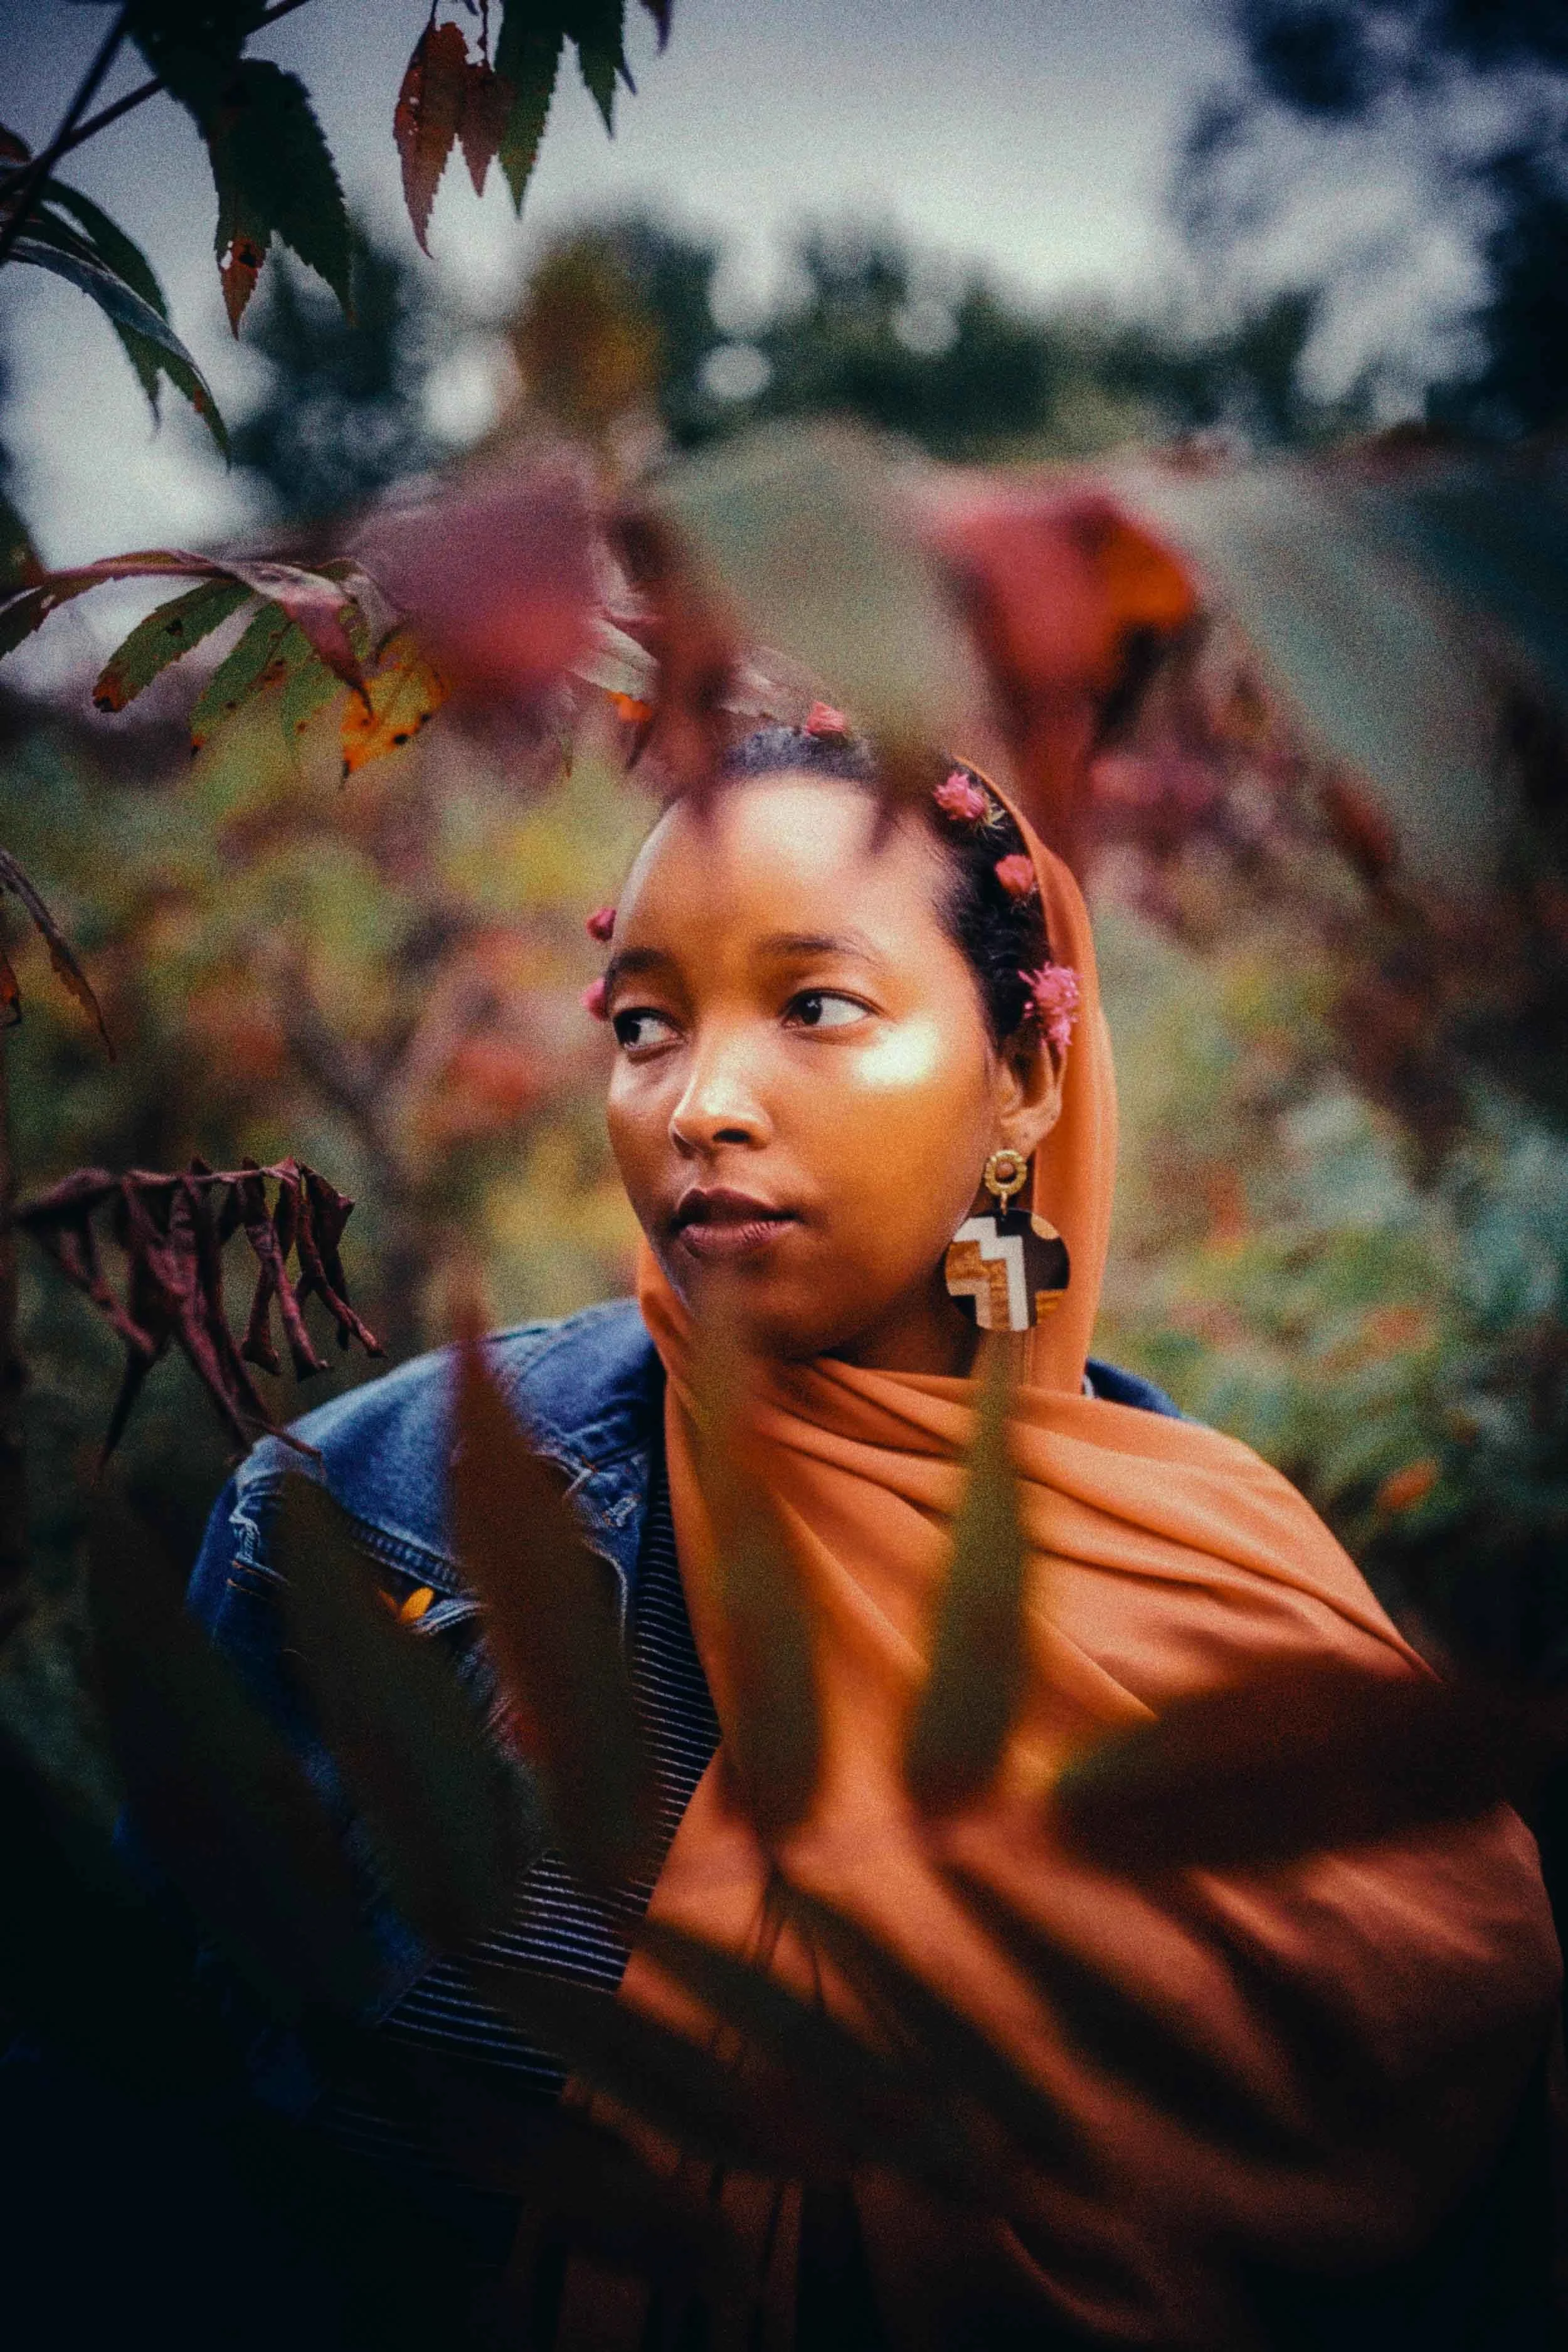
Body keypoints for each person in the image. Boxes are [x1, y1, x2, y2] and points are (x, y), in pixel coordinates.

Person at [186, 723, 1561, 2349]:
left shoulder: (1220, 1581)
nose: (698, 1105)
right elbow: (183, 2163)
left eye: (813, 1005)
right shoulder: (369, 1519)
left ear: (1024, 1074)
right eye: (642, 1024)